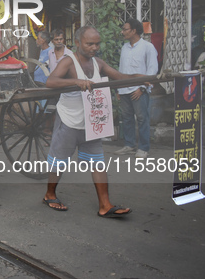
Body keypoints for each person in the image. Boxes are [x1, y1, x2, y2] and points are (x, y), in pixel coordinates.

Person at [43, 26, 141, 217]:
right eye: (90, 44)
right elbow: (51, 82)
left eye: (97, 43)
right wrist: (76, 82)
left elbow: (120, 78)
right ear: (78, 43)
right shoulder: (68, 62)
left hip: (92, 122)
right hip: (69, 120)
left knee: (98, 162)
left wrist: (143, 78)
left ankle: (105, 205)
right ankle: (49, 194)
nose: (94, 47)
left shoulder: (98, 63)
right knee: (59, 162)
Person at [114, 18, 158, 159]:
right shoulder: (125, 47)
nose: (123, 32)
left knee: (142, 118)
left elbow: (152, 69)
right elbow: (121, 69)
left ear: (134, 30)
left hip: (139, 90)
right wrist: (118, 89)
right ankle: (129, 144)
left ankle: (144, 148)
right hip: (124, 89)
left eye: (125, 29)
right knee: (126, 118)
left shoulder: (147, 47)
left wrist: (142, 88)